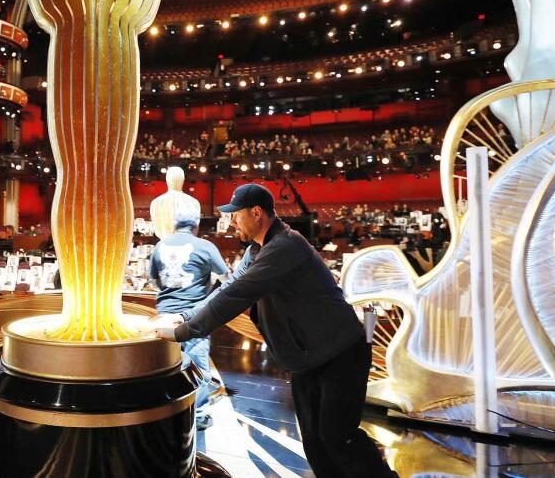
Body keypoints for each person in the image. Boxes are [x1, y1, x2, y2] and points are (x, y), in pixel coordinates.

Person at [152, 184, 394, 477]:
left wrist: (183, 332)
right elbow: (227, 287)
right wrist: (183, 316)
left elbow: (238, 294)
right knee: (316, 443)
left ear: (256, 213)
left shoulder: (285, 246)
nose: (232, 223)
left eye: (236, 215)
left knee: (338, 437)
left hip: (340, 354)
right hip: (310, 359)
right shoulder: (258, 249)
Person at [148, 204, 228, 429]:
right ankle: (200, 414)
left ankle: (167, 409)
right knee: (198, 365)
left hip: (165, 314)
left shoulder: (160, 246)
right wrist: (209, 286)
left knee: (168, 364)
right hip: (194, 316)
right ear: (197, 224)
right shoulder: (205, 246)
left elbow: (154, 281)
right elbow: (226, 277)